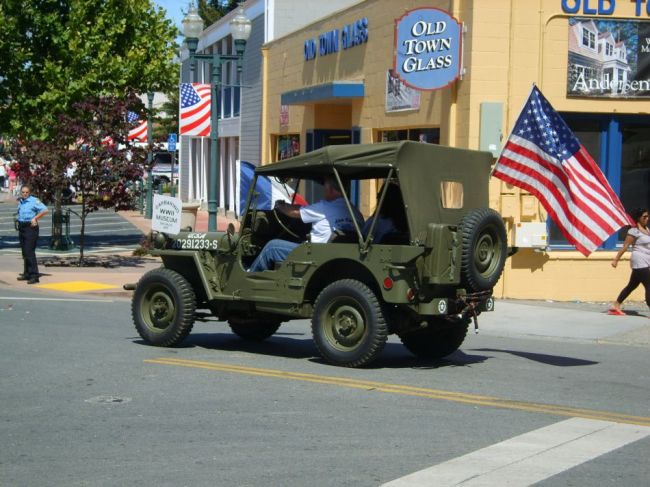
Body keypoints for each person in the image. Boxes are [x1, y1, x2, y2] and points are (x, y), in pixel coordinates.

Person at [248, 176, 363, 272]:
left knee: (271, 247)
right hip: (339, 258)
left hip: (314, 256)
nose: (324, 191)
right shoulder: (356, 212)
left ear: (331, 189)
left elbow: (295, 211)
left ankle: (248, 278)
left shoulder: (325, 207)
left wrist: (280, 206)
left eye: (325, 188)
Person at [610, 207, 650, 315]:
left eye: (647, 216)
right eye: (644, 217)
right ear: (638, 218)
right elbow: (625, 246)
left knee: (632, 285)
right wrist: (616, 260)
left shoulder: (647, 230)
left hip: (646, 261)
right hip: (639, 261)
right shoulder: (633, 231)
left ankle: (616, 305)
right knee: (648, 285)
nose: (647, 218)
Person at [16, 184, 49, 284]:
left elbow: (45, 210)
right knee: (24, 252)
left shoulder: (34, 200)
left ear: (29, 193)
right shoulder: (21, 201)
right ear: (21, 192)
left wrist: (35, 218)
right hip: (22, 227)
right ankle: (27, 273)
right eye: (23, 192)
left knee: (29, 252)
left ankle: (34, 275)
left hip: (30, 227)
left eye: (27, 192)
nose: (25, 194)